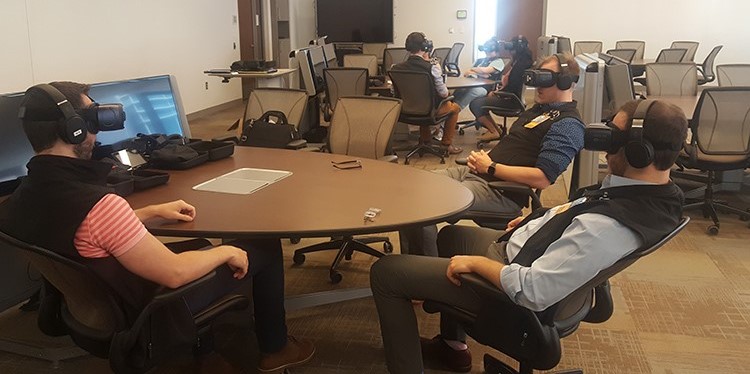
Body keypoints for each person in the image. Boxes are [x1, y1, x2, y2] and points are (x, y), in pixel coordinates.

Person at [0, 81, 314, 373]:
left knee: (199, 245)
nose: (96, 133)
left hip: (98, 305)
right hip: (148, 309)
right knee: (263, 247)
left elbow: (85, 230)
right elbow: (174, 272)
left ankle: (206, 350)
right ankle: (276, 349)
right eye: (91, 122)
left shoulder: (24, 195)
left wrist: (150, 211)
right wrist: (227, 251)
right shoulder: (99, 205)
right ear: (75, 130)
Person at [371, 99, 689, 373]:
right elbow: (578, 211)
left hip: (512, 292)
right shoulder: (652, 194)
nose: (604, 142)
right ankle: (453, 347)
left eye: (613, 137)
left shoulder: (605, 229)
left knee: (387, 272)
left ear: (637, 151)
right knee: (452, 236)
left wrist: (476, 265)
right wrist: (535, 222)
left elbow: (532, 289)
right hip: (524, 251)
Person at [400, 53, 585, 256]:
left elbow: (542, 179)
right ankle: (411, 262)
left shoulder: (568, 125)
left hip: (499, 190)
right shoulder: (540, 110)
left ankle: (425, 273)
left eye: (545, 78)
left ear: (565, 81)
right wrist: (487, 158)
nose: (537, 84)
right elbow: (517, 146)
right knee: (411, 187)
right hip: (476, 172)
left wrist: (490, 167)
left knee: (423, 201)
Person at [391, 31, 462, 154]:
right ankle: (446, 145)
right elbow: (444, 94)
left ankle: (426, 141)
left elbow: (394, 91)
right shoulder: (433, 67)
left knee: (422, 103)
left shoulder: (395, 68)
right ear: (424, 47)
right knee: (454, 108)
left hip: (405, 111)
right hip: (429, 111)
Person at [469, 35, 534, 142]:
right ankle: (495, 130)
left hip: (512, 100)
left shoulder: (520, 66)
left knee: (476, 104)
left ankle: (493, 131)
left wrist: (496, 93)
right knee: (480, 102)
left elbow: (512, 87)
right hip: (512, 98)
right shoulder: (522, 62)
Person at [451, 37, 506, 110]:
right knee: (461, 89)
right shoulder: (482, 61)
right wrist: (480, 73)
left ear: (496, 51)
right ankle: (450, 105)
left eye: (489, 51)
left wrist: (476, 71)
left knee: (473, 91)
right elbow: (467, 72)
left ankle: (456, 109)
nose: (487, 53)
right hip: (473, 84)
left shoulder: (498, 62)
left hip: (485, 88)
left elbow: (485, 71)